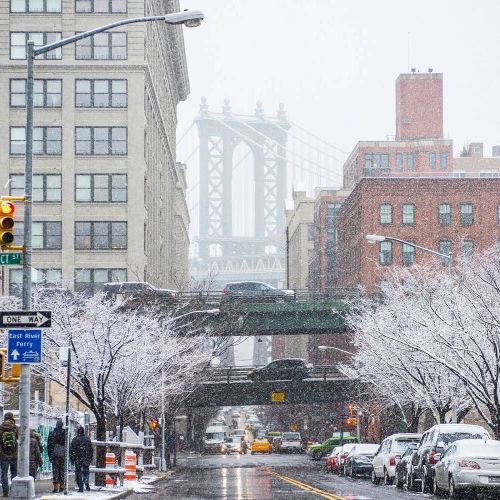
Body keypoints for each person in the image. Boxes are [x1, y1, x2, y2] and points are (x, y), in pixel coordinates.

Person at [0, 412, 18, 497]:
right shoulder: (15, 428)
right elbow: (20, 439)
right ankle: (13, 491)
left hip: (3, 455)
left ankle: (5, 493)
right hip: (14, 454)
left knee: (4, 474)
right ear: (12, 418)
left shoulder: (0, 428)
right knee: (14, 473)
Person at [70, 427, 93, 493]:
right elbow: (91, 450)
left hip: (78, 458)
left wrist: (72, 459)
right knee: (86, 471)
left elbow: (72, 450)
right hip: (86, 458)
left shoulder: (75, 439)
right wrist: (90, 458)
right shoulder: (87, 439)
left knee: (78, 472)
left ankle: (80, 487)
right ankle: (86, 482)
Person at [47, 420, 66, 493]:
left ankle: (55, 487)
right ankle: (62, 486)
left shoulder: (52, 433)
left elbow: (49, 445)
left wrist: (50, 455)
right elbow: (67, 445)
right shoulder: (65, 433)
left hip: (55, 455)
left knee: (55, 471)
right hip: (63, 454)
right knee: (62, 470)